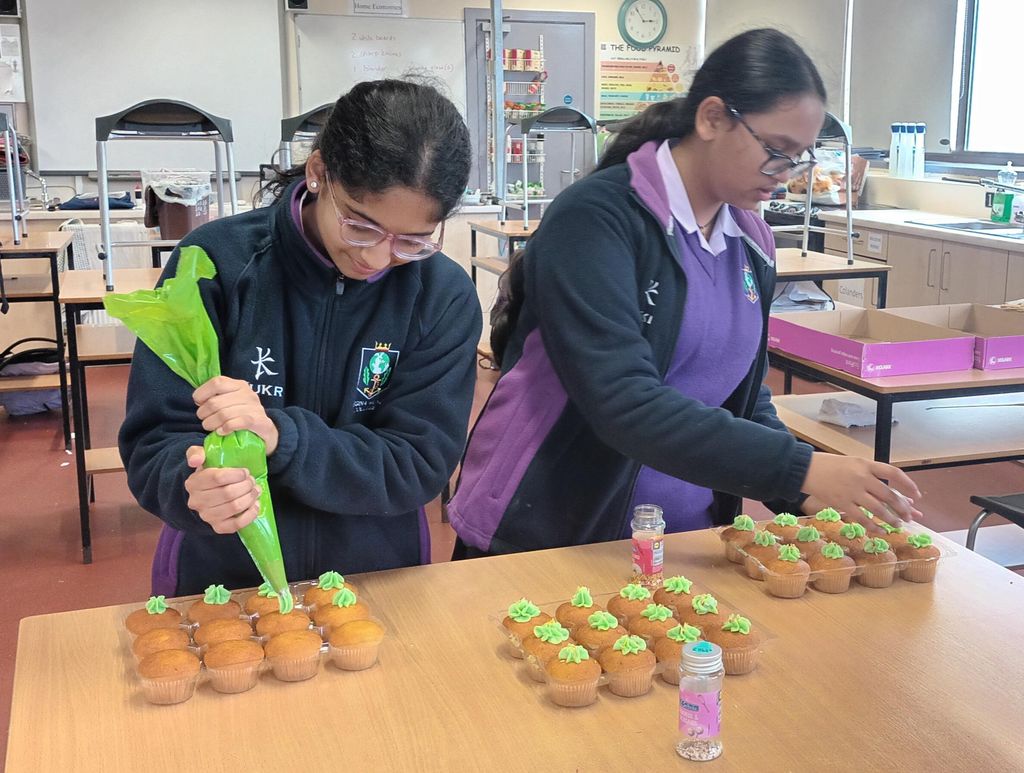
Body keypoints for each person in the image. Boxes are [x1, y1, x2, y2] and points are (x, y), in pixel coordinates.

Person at [448, 29, 920, 559]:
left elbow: (743, 395)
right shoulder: (597, 220)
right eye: (776, 152)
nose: (786, 176)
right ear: (713, 118)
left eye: (799, 158)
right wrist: (800, 468)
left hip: (682, 534)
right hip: (553, 530)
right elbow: (623, 400)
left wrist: (802, 491)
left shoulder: (751, 239)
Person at [120, 79, 481, 595]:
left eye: (412, 241)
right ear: (318, 173)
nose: (378, 257)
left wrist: (282, 437)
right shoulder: (215, 264)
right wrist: (190, 485)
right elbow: (154, 439)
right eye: (360, 226)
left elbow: (417, 462)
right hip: (224, 579)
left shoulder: (440, 295)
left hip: (375, 578)